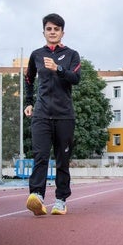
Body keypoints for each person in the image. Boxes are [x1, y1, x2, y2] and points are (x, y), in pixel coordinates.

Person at [24, 13, 81, 216]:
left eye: (56, 29)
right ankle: (37, 196)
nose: (53, 32)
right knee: (40, 156)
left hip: (64, 115)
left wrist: (58, 69)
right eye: (49, 29)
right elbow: (29, 79)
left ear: (62, 32)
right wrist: (28, 102)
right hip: (41, 114)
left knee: (62, 160)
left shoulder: (72, 54)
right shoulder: (36, 55)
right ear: (44, 32)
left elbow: (76, 78)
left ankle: (60, 200)